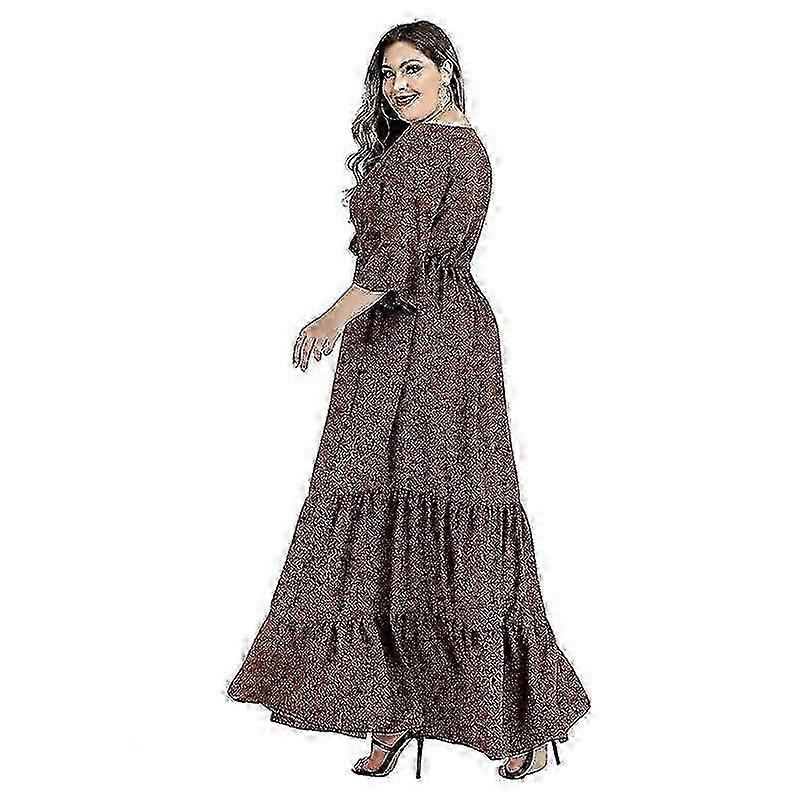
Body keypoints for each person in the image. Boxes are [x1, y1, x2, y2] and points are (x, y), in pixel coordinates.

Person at [227, 20, 590, 780]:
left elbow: (391, 261)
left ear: (447, 70)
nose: (398, 85)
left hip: (425, 342)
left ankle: (505, 726)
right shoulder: (440, 141)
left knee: (428, 515)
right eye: (388, 73)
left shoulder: (432, 147)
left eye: (413, 68)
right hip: (417, 339)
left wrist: (330, 317)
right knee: (396, 517)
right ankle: (393, 709)